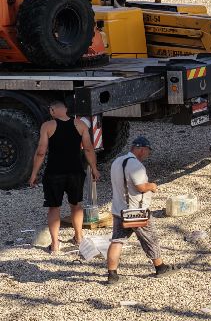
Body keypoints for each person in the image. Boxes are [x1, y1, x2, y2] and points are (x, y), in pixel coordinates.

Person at [28, 101, 98, 255]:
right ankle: (79, 238)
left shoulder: (47, 126)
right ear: (66, 109)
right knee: (76, 205)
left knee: (54, 208)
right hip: (75, 172)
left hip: (54, 173)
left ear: (52, 110)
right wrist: (94, 168)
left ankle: (54, 245)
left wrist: (33, 173)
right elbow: (88, 148)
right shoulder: (80, 125)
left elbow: (41, 151)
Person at [106, 135, 166, 284]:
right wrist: (152, 186)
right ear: (141, 149)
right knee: (150, 239)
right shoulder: (136, 165)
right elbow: (141, 187)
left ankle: (112, 274)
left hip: (119, 209)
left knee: (117, 241)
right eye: (148, 152)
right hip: (135, 211)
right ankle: (160, 268)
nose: (147, 155)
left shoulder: (117, 161)